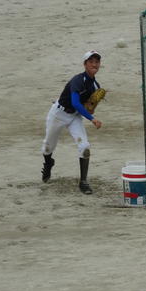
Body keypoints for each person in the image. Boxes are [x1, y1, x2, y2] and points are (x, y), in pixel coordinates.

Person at [41, 50, 104, 194]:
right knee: (47, 148)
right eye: (91, 62)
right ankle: (49, 163)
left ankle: (83, 182)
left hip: (74, 117)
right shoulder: (77, 80)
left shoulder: (96, 86)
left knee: (85, 146)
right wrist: (92, 119)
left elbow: (87, 108)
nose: (94, 64)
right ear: (85, 64)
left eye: (97, 62)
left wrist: (91, 109)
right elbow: (75, 102)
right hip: (58, 114)